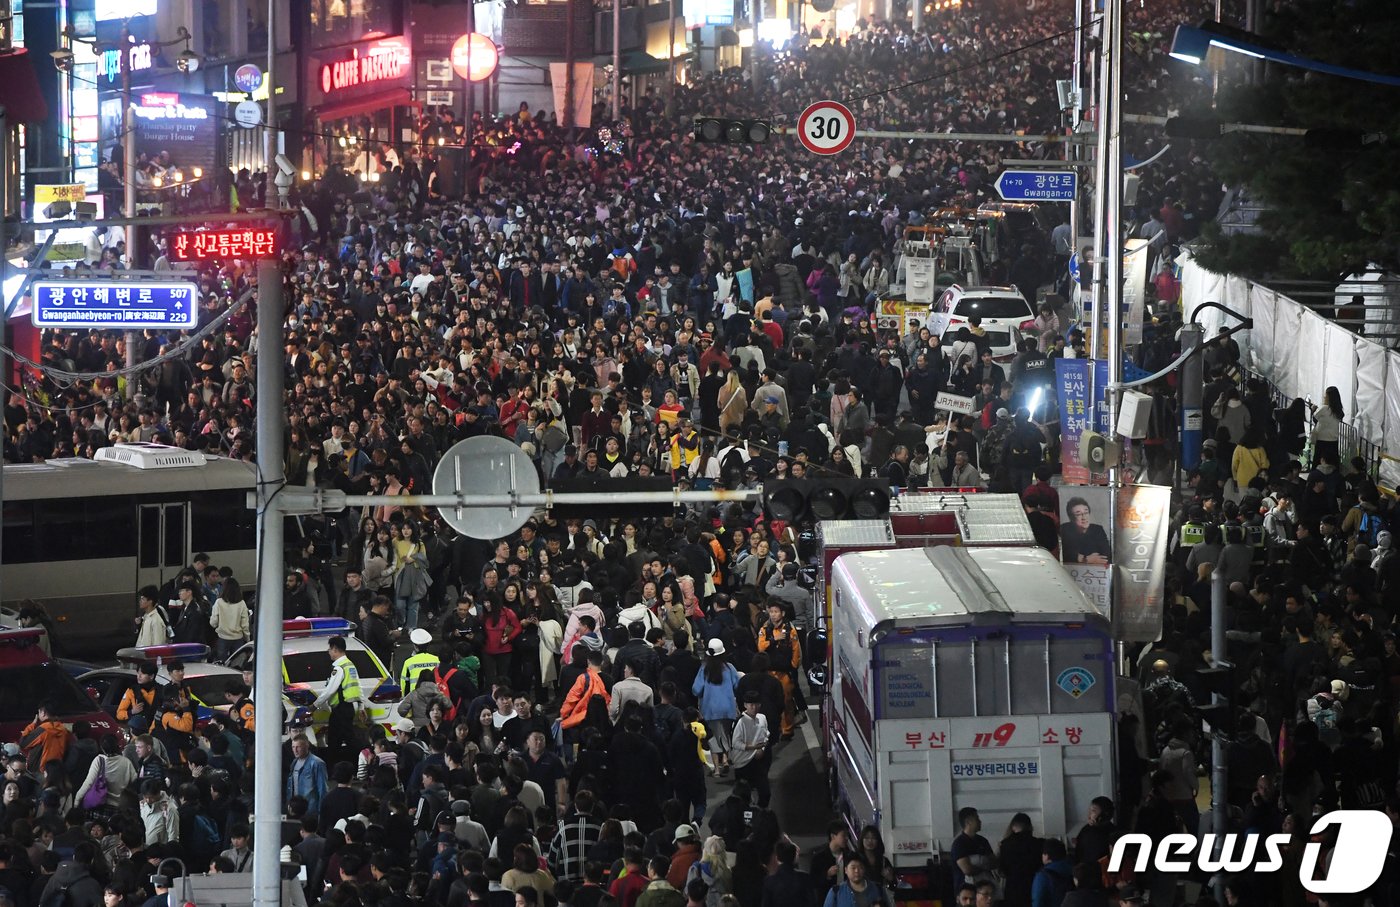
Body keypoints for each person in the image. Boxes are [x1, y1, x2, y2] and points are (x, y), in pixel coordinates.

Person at [313, 635, 364, 762]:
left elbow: (329, 690)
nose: (329, 652)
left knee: (336, 741)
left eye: (329, 649)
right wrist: (361, 707)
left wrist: (314, 705)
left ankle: (337, 768)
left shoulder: (339, 668)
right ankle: (356, 765)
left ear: (335, 649)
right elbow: (358, 687)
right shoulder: (350, 665)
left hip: (341, 709)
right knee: (345, 740)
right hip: (348, 708)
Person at [1060, 497, 1110, 566]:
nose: (1084, 517)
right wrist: (1085, 559)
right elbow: (1064, 554)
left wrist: (1079, 557)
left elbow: (1107, 555)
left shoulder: (1098, 529)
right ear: (1071, 517)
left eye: (1086, 513)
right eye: (1078, 514)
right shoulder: (1065, 529)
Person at [400, 627, 442, 693]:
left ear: (415, 646)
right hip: (434, 696)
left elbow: (404, 684)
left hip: (415, 698)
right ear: (428, 645)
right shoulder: (437, 660)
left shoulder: (408, 662)